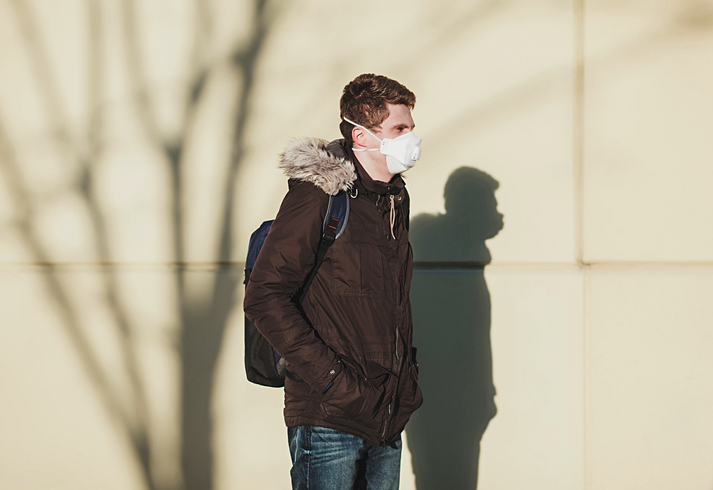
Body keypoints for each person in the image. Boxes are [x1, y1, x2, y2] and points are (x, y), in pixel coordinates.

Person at [243, 73, 423, 490]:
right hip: (329, 419)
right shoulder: (320, 195)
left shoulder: (393, 199)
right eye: (400, 129)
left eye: (411, 128)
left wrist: (405, 383)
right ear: (361, 136)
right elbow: (265, 296)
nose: (411, 139)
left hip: (386, 415)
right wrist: (331, 381)